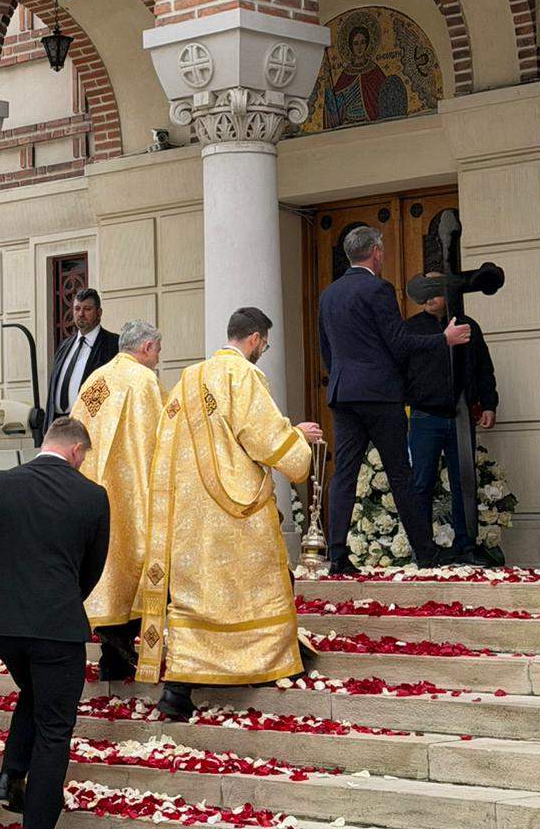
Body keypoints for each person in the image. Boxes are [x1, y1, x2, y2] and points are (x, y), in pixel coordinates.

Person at [136, 310, 322, 722]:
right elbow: (263, 437)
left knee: (197, 599)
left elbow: (167, 440)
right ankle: (273, 664)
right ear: (255, 339)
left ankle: (177, 692)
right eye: (265, 344)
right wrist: (298, 442)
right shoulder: (243, 375)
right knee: (257, 587)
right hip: (236, 510)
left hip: (190, 512)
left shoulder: (188, 378)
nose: (263, 351)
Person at [0, 418, 109, 829]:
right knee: (55, 728)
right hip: (56, 625)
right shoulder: (92, 496)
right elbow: (94, 567)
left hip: (4, 626)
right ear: (76, 451)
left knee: (34, 692)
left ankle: (10, 776)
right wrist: (66, 597)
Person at [318, 226, 471, 574]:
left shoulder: (328, 294)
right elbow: (399, 343)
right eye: (382, 250)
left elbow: (326, 349)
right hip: (380, 395)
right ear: (375, 252)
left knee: (344, 474)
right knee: (400, 473)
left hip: (343, 392)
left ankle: (336, 555)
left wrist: (345, 377)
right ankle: (426, 553)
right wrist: (443, 339)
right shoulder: (378, 289)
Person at [71, 319, 163, 681]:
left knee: (107, 569)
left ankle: (113, 655)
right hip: (133, 494)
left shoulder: (96, 379)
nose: (157, 358)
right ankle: (120, 646)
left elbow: (76, 428)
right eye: (157, 351)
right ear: (146, 348)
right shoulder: (144, 380)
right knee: (135, 563)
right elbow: (159, 435)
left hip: (91, 491)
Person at [405, 272, 500, 565]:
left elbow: (483, 367)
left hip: (460, 416)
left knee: (464, 482)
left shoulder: (468, 326)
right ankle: (423, 550)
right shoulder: (411, 328)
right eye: (425, 291)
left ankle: (466, 546)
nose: (430, 297)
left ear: (450, 293)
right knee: (421, 483)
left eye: (436, 290)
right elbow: (400, 369)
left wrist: (488, 403)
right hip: (425, 416)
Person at [43, 288, 120, 427]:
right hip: (58, 425)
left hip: (91, 426)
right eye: (77, 309)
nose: (81, 314)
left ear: (99, 313)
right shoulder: (64, 346)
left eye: (87, 309)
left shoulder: (113, 344)